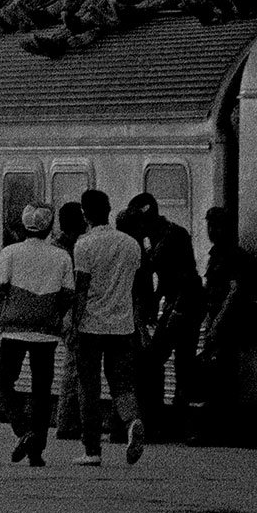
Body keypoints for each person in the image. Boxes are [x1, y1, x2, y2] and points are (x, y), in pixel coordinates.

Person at [0, 203, 74, 467]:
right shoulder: (62, 256)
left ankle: (22, 429)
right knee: (42, 390)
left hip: (14, 329)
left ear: (24, 224)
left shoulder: (10, 252)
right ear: (48, 227)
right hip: (46, 332)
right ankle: (36, 451)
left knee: (3, 379)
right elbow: (67, 295)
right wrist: (53, 314)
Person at [70, 189, 146, 467]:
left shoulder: (84, 245)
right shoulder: (131, 245)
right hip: (123, 326)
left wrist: (73, 325)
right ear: (110, 208)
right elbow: (137, 290)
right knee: (122, 384)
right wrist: (137, 322)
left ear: (84, 213)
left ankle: (92, 450)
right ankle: (132, 421)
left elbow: (81, 289)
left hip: (91, 327)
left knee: (88, 387)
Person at [126, 192, 204, 443]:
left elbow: (186, 276)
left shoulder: (174, 235)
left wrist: (174, 309)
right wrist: (154, 303)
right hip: (175, 301)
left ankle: (173, 423)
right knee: (178, 362)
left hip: (185, 303)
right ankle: (172, 423)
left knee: (163, 360)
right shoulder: (152, 235)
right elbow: (156, 275)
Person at [195, 206, 257, 446]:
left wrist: (217, 324)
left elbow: (234, 293)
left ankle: (218, 431)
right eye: (210, 225)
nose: (212, 231)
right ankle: (216, 429)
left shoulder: (234, 257)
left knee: (222, 378)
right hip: (218, 322)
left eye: (217, 225)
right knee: (217, 377)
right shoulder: (217, 255)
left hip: (230, 327)